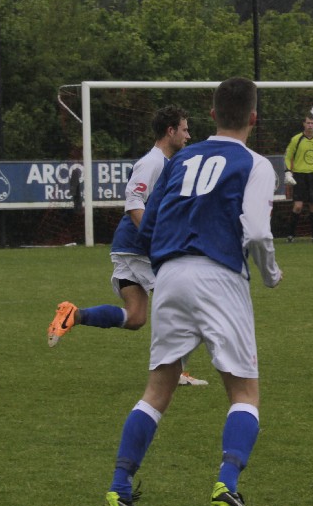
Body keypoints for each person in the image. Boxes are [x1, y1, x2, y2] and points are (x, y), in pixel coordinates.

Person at [101, 77, 282, 506]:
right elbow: (258, 231)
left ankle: (119, 488)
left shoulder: (180, 157)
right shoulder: (256, 163)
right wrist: (270, 274)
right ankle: (227, 483)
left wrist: (169, 258)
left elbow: (148, 225)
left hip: (169, 275)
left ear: (213, 114)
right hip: (219, 276)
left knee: (156, 391)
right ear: (254, 118)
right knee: (244, 392)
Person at [47, 106, 208, 387]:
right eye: (184, 129)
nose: (188, 135)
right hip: (139, 250)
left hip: (130, 247)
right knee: (192, 306)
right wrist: (156, 241)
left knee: (135, 317)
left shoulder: (166, 162)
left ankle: (74, 314)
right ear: (170, 131)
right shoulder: (153, 162)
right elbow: (133, 203)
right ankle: (175, 372)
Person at [283, 114, 313, 243]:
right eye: (308, 123)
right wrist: (288, 172)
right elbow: (288, 156)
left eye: (312, 123)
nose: (310, 125)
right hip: (299, 175)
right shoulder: (296, 139)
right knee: (298, 206)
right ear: (304, 124)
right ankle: (290, 235)